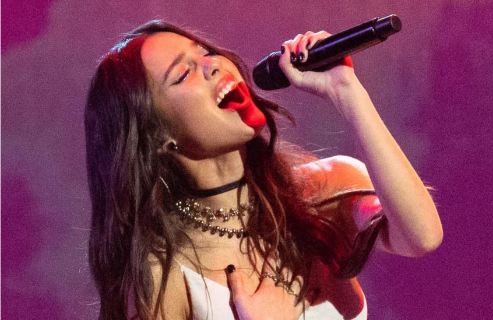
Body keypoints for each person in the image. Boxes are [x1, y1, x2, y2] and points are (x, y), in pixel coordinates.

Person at [84, 20, 443, 320]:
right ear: (158, 136)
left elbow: (422, 236)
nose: (213, 64)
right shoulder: (163, 274)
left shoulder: (327, 189)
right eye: (184, 73)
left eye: (206, 52)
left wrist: (347, 92)